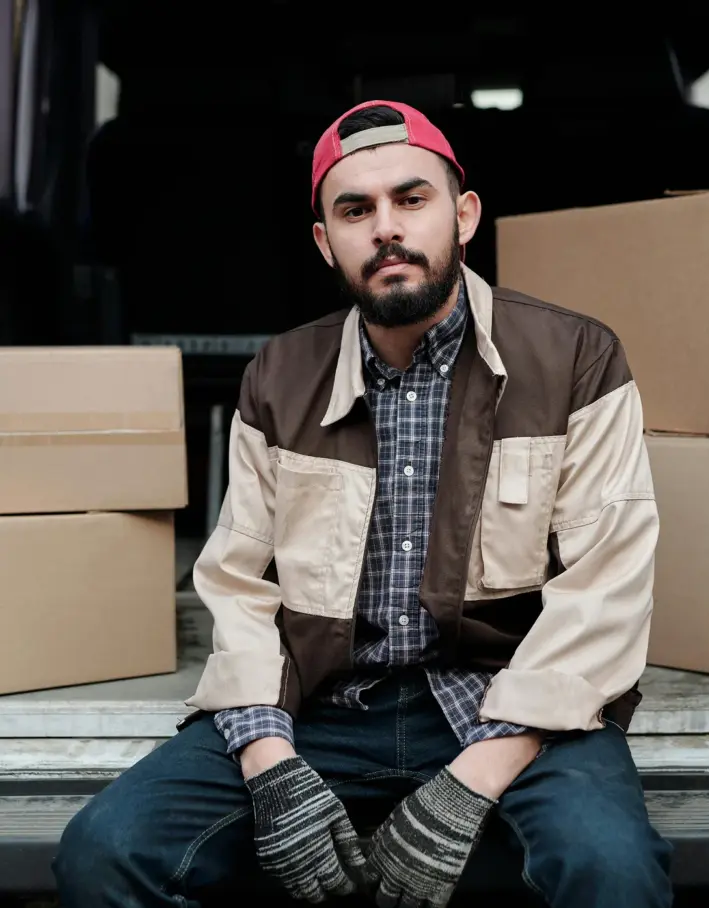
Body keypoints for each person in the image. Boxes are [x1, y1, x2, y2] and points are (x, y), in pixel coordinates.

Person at [54, 100, 673, 908]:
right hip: (323, 706)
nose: (386, 229)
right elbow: (240, 585)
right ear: (325, 241)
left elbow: (605, 592)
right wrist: (270, 762)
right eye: (355, 211)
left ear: (464, 215)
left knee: (613, 870)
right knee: (104, 853)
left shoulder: (576, 358)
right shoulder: (279, 376)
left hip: (513, 704)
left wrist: (476, 778)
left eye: (411, 199)